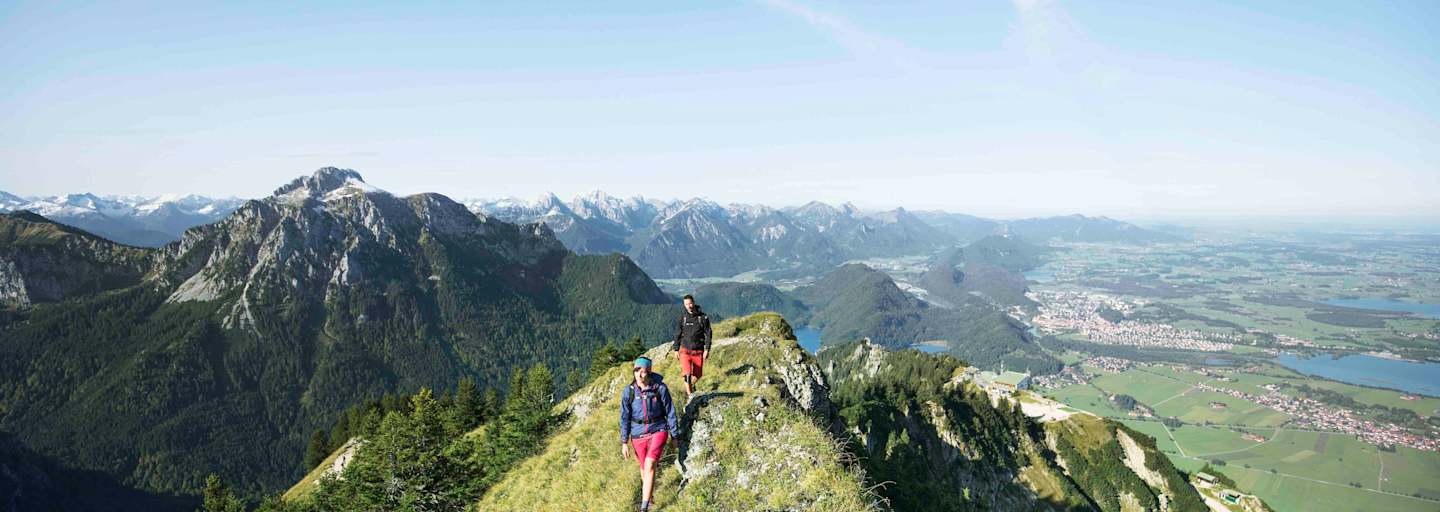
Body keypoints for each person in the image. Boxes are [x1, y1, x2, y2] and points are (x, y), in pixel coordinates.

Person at [619, 356, 678, 512]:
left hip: (658, 429)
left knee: (650, 464)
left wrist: (674, 435)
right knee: (643, 468)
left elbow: (670, 412)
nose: (639, 374)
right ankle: (650, 498)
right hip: (637, 435)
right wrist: (624, 442)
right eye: (636, 370)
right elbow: (624, 417)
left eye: (643, 371)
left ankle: (643, 507)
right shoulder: (628, 392)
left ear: (649, 372)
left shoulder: (660, 388)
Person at [670, 294, 712, 397]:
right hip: (685, 351)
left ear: (694, 302)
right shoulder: (683, 318)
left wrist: (707, 349)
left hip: (698, 351)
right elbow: (678, 334)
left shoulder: (702, 317)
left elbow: (709, 334)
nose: (689, 306)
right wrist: (676, 349)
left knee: (698, 374)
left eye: (690, 303)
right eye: (686, 304)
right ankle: (690, 395)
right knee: (687, 373)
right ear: (684, 305)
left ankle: (687, 387)